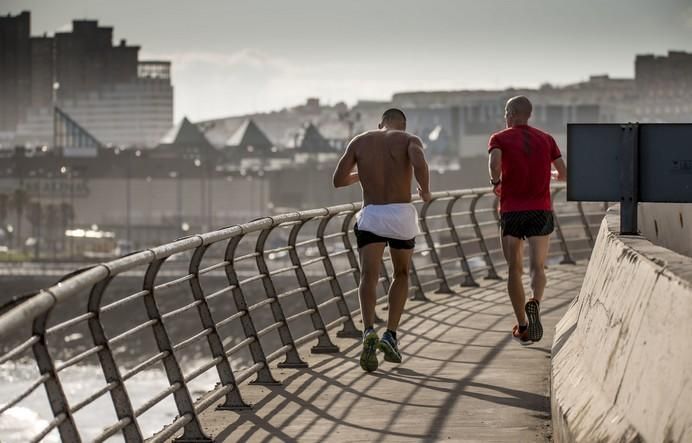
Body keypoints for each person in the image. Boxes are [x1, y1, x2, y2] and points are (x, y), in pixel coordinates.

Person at [332, 108, 431, 372]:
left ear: (380, 124)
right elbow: (419, 161)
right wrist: (425, 189)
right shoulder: (410, 139)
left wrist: (363, 173)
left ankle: (368, 332)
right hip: (401, 214)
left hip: (372, 214)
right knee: (401, 273)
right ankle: (391, 334)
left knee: (368, 276)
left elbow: (338, 180)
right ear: (403, 124)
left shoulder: (361, 140)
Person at [488, 96, 567, 345]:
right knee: (538, 267)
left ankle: (523, 325)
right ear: (529, 115)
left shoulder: (499, 138)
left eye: (505, 113)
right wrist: (551, 175)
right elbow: (564, 174)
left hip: (512, 210)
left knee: (514, 268)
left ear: (510, 113)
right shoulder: (546, 139)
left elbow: (494, 164)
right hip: (540, 210)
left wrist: (496, 183)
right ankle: (536, 302)